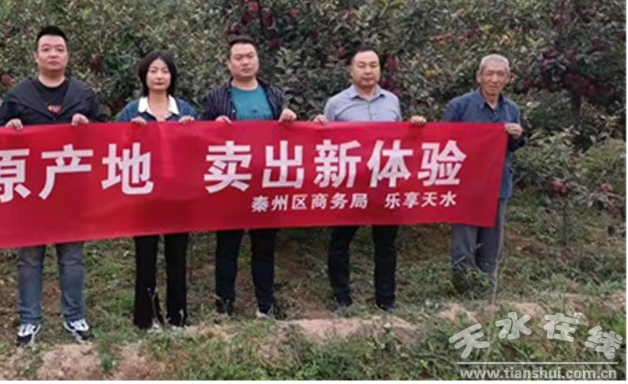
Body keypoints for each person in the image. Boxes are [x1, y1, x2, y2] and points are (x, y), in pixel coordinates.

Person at [0, 26, 105, 346]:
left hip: (71, 192)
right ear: (36, 56)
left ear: (68, 56)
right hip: (31, 193)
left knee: (72, 258)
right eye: (46, 49)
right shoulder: (19, 95)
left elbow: (105, 133)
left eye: (59, 49)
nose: (53, 54)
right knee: (29, 258)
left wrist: (89, 127)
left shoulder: (83, 95)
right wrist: (9, 128)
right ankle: (29, 321)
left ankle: (75, 317)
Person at [313, 46, 426, 313]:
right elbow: (321, 142)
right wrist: (317, 125)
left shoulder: (392, 101)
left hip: (385, 184)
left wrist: (416, 127)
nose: (368, 71)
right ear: (351, 71)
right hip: (350, 185)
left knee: (385, 244)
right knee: (340, 242)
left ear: (380, 70)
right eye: (362, 65)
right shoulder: (336, 103)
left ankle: (386, 299)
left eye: (373, 65)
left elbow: (401, 140)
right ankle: (342, 298)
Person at [201, 35, 297, 319]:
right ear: (229, 64)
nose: (245, 62)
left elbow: (286, 137)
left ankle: (265, 306)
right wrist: (213, 126)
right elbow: (200, 138)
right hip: (231, 182)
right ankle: (224, 307)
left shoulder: (274, 95)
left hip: (266, 182)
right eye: (239, 57)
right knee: (227, 247)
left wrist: (289, 119)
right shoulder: (217, 97)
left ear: (258, 60)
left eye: (250, 56)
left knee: (264, 248)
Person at [116, 51, 197, 330]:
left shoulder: (185, 110)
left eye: (164, 71)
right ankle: (147, 318)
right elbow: (114, 149)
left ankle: (178, 317)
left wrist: (191, 131)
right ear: (144, 76)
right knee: (146, 257)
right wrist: (131, 133)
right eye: (153, 71)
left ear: (172, 76)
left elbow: (200, 150)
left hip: (178, 194)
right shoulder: (132, 111)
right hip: (144, 195)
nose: (159, 76)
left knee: (177, 256)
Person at [444, 54, 526, 293]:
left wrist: (518, 136)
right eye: (489, 73)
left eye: (500, 74)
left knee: (492, 238)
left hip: (498, 182)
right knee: (465, 237)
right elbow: (443, 141)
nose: (494, 79)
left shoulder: (511, 109)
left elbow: (512, 147)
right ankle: (463, 287)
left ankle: (486, 286)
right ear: (479, 77)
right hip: (466, 184)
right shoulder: (459, 106)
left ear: (508, 78)